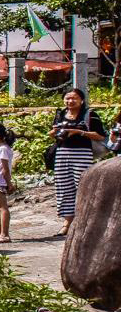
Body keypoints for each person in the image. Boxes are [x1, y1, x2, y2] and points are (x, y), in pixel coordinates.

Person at [49, 89, 107, 237]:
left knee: (83, 186)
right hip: (62, 153)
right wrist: (53, 133)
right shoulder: (60, 114)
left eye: (74, 98)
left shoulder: (89, 115)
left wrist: (79, 132)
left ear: (81, 100)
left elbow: (100, 136)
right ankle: (67, 223)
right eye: (67, 98)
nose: (70, 101)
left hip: (81, 154)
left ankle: (85, 220)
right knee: (64, 188)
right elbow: (54, 133)